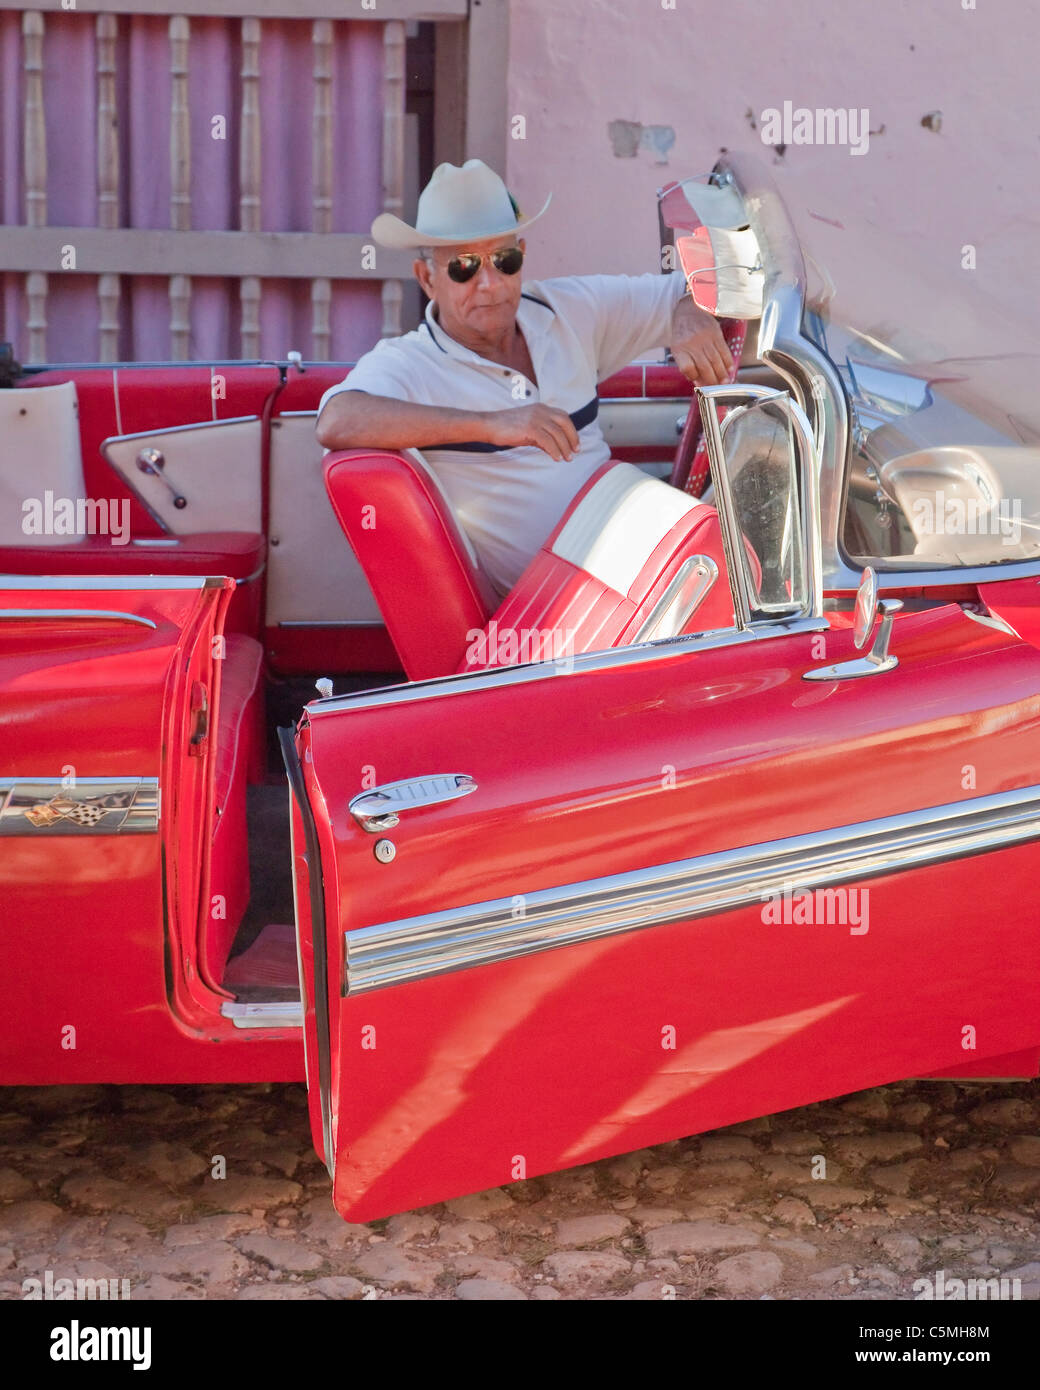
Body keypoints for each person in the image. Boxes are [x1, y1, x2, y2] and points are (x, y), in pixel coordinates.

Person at [316, 159, 734, 597]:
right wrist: (497, 425)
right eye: (464, 267)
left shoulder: (568, 308)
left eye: (505, 259)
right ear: (427, 278)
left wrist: (690, 316)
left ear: (523, 257)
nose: (490, 283)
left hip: (636, 551)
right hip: (571, 610)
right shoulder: (411, 362)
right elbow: (338, 420)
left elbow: (689, 286)